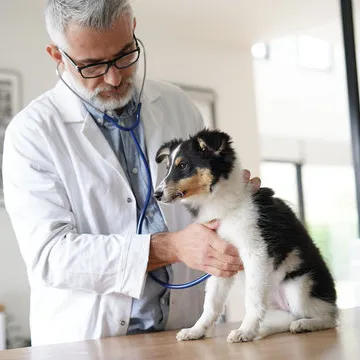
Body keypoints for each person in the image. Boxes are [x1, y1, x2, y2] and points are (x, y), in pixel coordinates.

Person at [2, 0, 261, 346]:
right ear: (57, 56)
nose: (114, 77)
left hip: (182, 334)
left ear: (133, 29)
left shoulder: (176, 104)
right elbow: (51, 256)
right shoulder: (32, 133)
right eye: (92, 65)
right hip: (88, 343)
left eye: (124, 55)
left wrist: (230, 203)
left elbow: (202, 207)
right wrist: (171, 247)